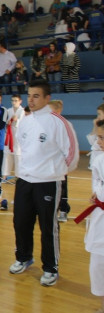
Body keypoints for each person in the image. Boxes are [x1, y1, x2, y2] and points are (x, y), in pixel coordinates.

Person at [10, 80, 79, 287]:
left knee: (48, 226)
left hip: (48, 182)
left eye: (36, 96)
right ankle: (23, 257)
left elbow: (72, 156)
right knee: (21, 222)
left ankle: (50, 267)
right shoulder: (25, 121)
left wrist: (53, 171)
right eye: (29, 95)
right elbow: (23, 148)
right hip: (24, 180)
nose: (31, 100)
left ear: (47, 98)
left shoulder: (59, 122)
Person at [77, 120, 104, 312]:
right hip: (100, 216)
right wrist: (97, 192)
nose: (98, 141)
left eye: (101, 137)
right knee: (98, 264)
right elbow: (97, 181)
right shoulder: (100, 159)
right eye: (98, 137)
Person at [2, 94, 24, 180]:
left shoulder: (22, 111)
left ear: (20, 101)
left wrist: (17, 120)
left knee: (18, 155)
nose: (14, 102)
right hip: (9, 135)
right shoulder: (8, 110)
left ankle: (18, 176)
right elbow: (5, 121)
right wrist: (8, 122)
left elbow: (24, 123)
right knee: (7, 154)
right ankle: (4, 175)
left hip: (18, 135)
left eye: (16, 100)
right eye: (13, 100)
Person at [88, 104, 104, 170]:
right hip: (96, 155)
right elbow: (91, 142)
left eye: (99, 114)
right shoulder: (99, 126)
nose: (98, 116)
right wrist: (95, 126)